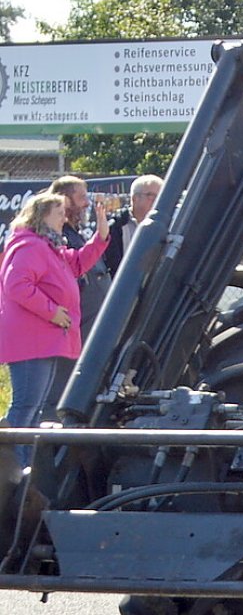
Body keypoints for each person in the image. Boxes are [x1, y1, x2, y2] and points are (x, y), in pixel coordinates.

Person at [0, 192, 109, 462]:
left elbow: (79, 263)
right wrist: (53, 313)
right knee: (25, 407)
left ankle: (23, 468)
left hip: (42, 340)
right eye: (59, 213)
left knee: (33, 409)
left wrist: (101, 232)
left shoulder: (49, 247)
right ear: (42, 215)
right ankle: (12, 470)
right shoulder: (32, 246)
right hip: (31, 340)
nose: (64, 218)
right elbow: (17, 285)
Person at [48, 175, 111, 332]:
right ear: (64, 200)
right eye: (82, 197)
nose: (87, 204)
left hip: (93, 320)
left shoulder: (77, 232)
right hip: (76, 325)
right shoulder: (56, 236)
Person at [103, 174, 162, 278]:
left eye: (161, 196)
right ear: (135, 198)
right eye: (152, 196)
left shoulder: (168, 226)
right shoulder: (115, 227)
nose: (158, 201)